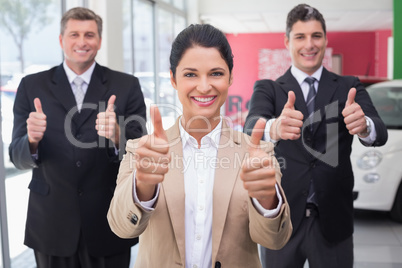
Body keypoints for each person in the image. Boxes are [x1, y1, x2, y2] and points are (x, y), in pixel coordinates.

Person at [107, 23, 292, 268]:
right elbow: (121, 227)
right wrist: (143, 186)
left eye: (216, 73)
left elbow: (275, 240)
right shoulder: (143, 151)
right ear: (173, 79)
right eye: (191, 74)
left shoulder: (258, 153)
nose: (204, 87)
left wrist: (267, 199)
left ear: (230, 77)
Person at [244, 4, 388, 268]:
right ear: (287, 41)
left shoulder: (349, 86)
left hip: (334, 218)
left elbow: (379, 131)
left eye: (316, 36)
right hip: (282, 219)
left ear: (325, 39)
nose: (309, 44)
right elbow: (250, 125)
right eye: (300, 37)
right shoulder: (270, 88)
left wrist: (364, 125)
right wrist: (274, 127)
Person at [9, 7, 147, 268]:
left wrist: (119, 134)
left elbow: (141, 151)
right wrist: (32, 140)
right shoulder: (32, 85)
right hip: (51, 223)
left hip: (108, 221)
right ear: (62, 40)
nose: (82, 42)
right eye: (74, 34)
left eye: (89, 35)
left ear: (99, 41)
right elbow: (17, 156)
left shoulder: (126, 85)